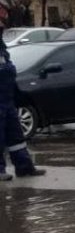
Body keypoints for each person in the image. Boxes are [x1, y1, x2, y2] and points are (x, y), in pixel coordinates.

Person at [0, 12, 46, 181]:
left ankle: (24, 167)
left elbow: (8, 72)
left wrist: (17, 95)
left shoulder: (2, 47)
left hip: (7, 98)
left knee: (16, 136)